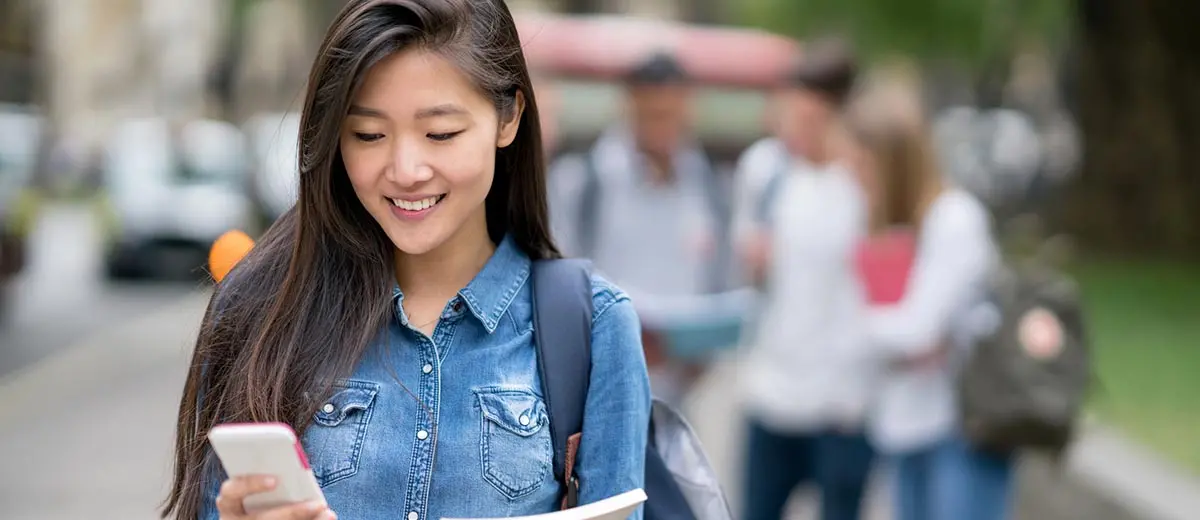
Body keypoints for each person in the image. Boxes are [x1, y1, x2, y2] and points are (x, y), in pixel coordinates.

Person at [160, 1, 651, 519]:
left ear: (508, 118)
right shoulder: (259, 310)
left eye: (440, 133)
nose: (405, 170)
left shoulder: (594, 326)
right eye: (368, 135)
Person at [841, 80, 1013, 520]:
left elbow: (918, 330)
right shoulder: (896, 231)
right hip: (909, 424)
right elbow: (909, 336)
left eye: (864, 167)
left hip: (964, 431)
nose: (857, 181)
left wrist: (860, 324)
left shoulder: (954, 220)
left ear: (893, 164)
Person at [734, 40, 878, 520]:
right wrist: (754, 260)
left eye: (813, 119)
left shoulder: (863, 183)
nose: (799, 130)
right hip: (771, 388)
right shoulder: (765, 170)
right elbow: (747, 269)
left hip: (843, 400)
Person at [547, 51, 729, 408]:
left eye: (672, 117)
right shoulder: (585, 183)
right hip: (601, 390)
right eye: (653, 116)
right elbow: (560, 282)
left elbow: (719, 278)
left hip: (678, 397)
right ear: (629, 107)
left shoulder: (707, 186)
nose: (663, 129)